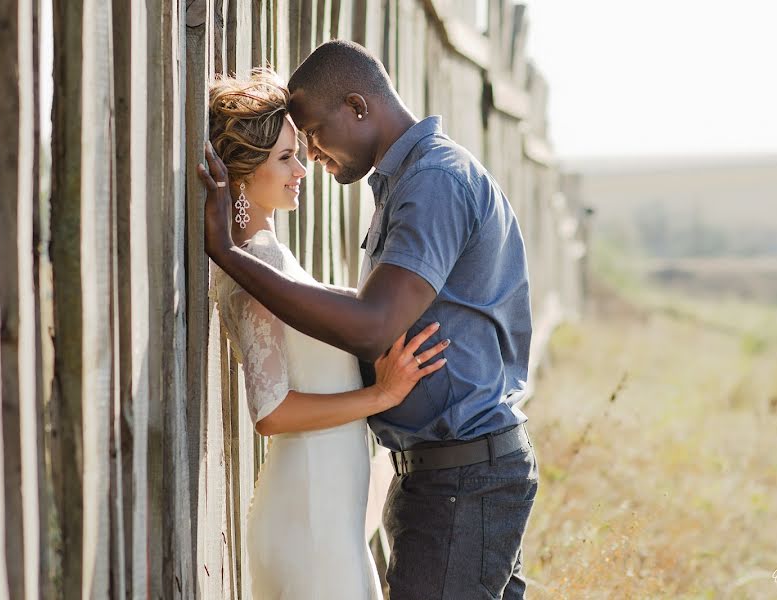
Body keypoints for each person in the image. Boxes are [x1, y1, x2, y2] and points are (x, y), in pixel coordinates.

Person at [199, 40, 537, 599]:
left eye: (312, 135)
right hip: (441, 477)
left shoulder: (435, 182)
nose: (311, 156)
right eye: (292, 149)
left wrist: (230, 257)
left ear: (357, 106)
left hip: (463, 477)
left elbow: (372, 326)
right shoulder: (407, 184)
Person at [204, 67, 449, 599]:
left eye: (299, 152)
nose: (303, 170)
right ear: (243, 172)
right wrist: (380, 395)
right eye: (285, 158)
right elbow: (271, 412)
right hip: (308, 514)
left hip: (327, 514)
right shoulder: (253, 263)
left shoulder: (270, 256)